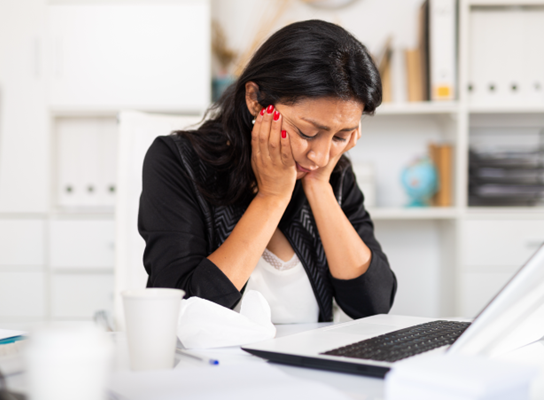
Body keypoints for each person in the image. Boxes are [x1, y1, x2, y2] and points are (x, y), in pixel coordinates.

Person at [138, 20, 397, 323]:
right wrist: (272, 197)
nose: (321, 155)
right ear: (255, 100)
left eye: (341, 136)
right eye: (308, 131)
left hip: (308, 365)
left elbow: (373, 305)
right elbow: (182, 312)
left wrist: (319, 187)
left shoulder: (331, 172)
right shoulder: (177, 161)